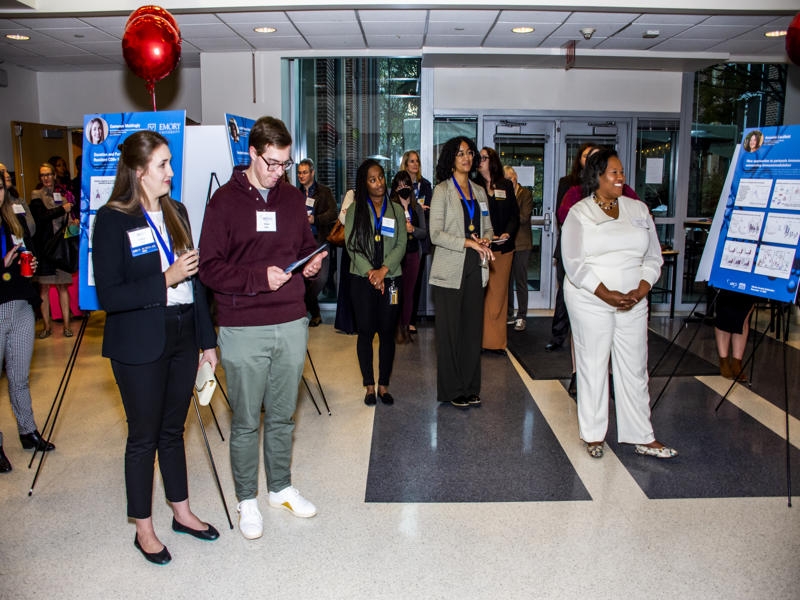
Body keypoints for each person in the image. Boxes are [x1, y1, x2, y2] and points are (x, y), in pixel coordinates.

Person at [92, 130, 220, 565]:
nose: (170, 172)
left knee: (173, 431)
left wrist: (207, 341)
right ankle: (143, 528)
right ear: (138, 170)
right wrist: (166, 278)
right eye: (163, 164)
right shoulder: (112, 219)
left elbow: (195, 283)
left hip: (184, 332)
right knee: (143, 437)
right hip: (139, 340)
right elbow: (110, 296)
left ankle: (181, 513)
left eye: (169, 163)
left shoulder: (176, 210)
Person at [199, 116, 325, 540]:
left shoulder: (291, 198)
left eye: (284, 164)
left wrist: (310, 263)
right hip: (244, 326)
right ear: (251, 154)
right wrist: (257, 278)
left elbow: (304, 246)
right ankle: (247, 499)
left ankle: (280, 488)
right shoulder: (223, 202)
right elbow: (209, 269)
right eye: (271, 163)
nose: (278, 172)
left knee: (284, 415)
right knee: (247, 420)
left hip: (290, 320)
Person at [561, 147, 676, 460]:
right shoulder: (580, 213)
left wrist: (641, 289)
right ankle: (593, 434)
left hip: (633, 300)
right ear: (597, 176)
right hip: (590, 299)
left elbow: (653, 257)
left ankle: (642, 436)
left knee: (635, 368)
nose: (621, 177)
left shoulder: (638, 209)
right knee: (593, 364)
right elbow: (573, 263)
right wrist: (606, 293)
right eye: (614, 172)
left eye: (622, 172)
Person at [429, 137, 493, 408]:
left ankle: (470, 386)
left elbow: (488, 226)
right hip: (449, 269)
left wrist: (486, 239)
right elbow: (435, 234)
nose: (466, 158)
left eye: (469, 153)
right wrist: (468, 242)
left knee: (471, 331)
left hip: (476, 267)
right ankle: (452, 389)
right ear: (451, 160)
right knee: (449, 333)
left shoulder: (479, 191)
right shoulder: (442, 190)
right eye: (460, 154)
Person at [1, 171, 55, 474]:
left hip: (21, 302)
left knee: (19, 375)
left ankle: (27, 430)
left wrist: (30, 263)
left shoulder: (13, 220)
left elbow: (27, 251)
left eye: (0, 187)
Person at [345, 159, 406, 405]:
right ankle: (369, 386)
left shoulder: (396, 209)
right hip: (362, 279)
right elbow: (351, 245)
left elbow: (401, 244)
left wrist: (383, 271)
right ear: (365, 183)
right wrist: (372, 273)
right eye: (372, 179)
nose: (379, 183)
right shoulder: (355, 210)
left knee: (388, 332)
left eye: (380, 177)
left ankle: (383, 386)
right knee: (366, 332)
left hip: (391, 279)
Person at [474, 146, 518, 354]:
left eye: (483, 157)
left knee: (499, 296)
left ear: (492, 160)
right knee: (482, 295)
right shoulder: (474, 186)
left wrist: (507, 233)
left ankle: (497, 342)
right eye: (479, 158)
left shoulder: (505, 185)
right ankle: (480, 340)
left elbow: (514, 216)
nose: (480, 161)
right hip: (482, 248)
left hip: (503, 248)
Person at [29, 162, 77, 338]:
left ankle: (67, 326)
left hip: (61, 248)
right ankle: (47, 327)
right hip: (45, 249)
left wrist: (74, 223)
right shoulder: (36, 195)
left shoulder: (61, 196)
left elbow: (67, 220)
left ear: (54, 176)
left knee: (63, 287)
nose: (46, 178)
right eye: (43, 175)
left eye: (49, 174)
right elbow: (41, 217)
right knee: (44, 289)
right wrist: (62, 209)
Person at [296, 158, 337, 327]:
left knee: (321, 278)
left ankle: (303, 304)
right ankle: (316, 314)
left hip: (320, 241)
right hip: (302, 242)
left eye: (305, 172)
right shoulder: (295, 194)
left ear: (312, 173)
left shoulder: (324, 192)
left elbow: (333, 213)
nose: (301, 176)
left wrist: (315, 219)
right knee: (305, 278)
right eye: (299, 173)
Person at [390, 170, 427, 344]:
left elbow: (424, 232)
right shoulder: (391, 208)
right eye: (400, 185)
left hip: (413, 255)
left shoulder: (416, 208)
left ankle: (405, 327)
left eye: (406, 185)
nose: (403, 188)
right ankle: (394, 327)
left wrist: (413, 230)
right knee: (395, 293)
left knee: (409, 293)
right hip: (396, 257)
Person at [400, 150, 432, 334]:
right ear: (405, 164)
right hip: (402, 240)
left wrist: (421, 209)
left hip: (420, 236)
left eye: (417, 161)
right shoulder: (400, 184)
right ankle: (399, 319)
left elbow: (431, 209)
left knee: (416, 281)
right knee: (400, 282)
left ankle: (411, 320)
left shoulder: (425, 185)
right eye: (411, 161)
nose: (415, 164)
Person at [504, 165, 533, 331]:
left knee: (521, 280)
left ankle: (522, 316)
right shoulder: (504, 194)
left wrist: (508, 216)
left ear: (515, 177)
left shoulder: (525, 194)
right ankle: (508, 314)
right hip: (508, 244)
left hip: (522, 244)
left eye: (511, 178)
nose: (509, 181)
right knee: (507, 281)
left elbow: (523, 217)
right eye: (506, 179)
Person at [714, 289, 756, 382]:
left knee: (743, 318)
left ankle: (737, 364)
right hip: (727, 283)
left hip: (748, 282)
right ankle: (724, 361)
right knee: (723, 315)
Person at [0, 163, 35, 235]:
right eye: (3, 172)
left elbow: (31, 227)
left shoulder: (19, 200)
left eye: (7, 172)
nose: (8, 175)